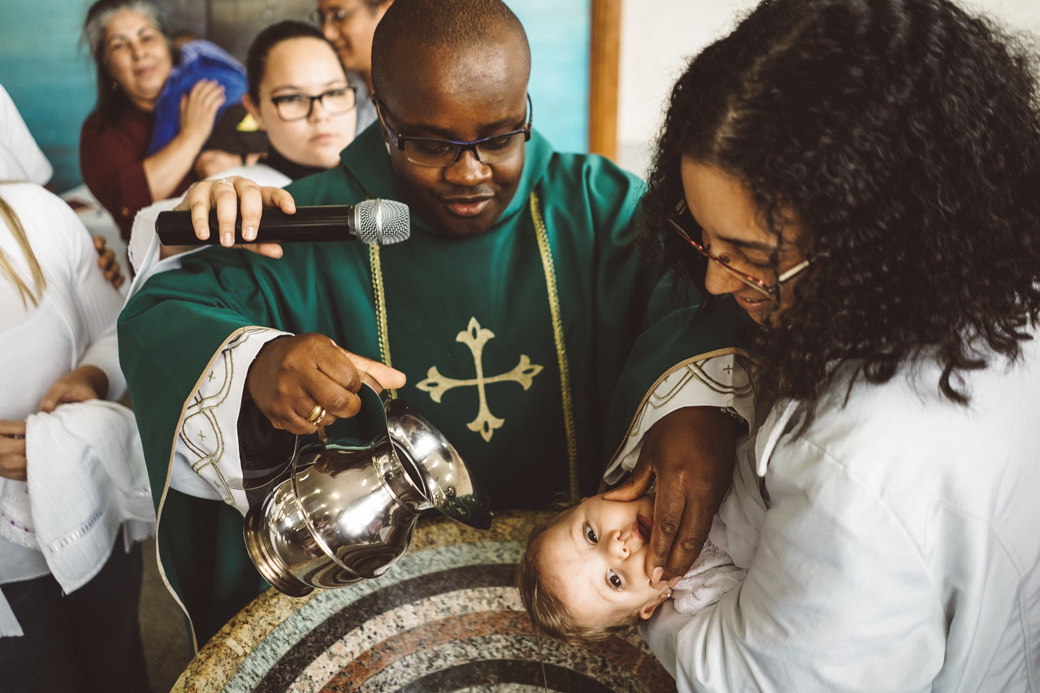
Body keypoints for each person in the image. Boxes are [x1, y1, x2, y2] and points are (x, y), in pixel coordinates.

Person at [118, 0, 753, 649]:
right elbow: (161, 317)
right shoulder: (313, 222)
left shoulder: (596, 206)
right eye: (431, 144)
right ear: (383, 114)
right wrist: (260, 364)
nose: (470, 171)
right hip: (387, 626)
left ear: (525, 108)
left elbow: (713, 293)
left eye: (501, 136)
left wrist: (698, 403)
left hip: (593, 614)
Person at [621, 0, 1040, 689]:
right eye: (705, 237)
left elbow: (753, 676)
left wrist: (644, 594)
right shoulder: (987, 272)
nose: (715, 281)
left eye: (750, 256)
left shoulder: (856, 467)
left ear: (872, 238)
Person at [0, 181, 152, 691]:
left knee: (119, 664)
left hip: (91, 506)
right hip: (7, 570)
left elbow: (115, 329)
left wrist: (92, 376)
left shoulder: (34, 214)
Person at [126, 20, 359, 286]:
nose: (321, 114)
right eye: (292, 98)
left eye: (335, 92)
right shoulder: (235, 192)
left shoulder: (386, 174)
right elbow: (154, 243)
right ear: (254, 110)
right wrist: (185, 231)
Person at [79, 0, 242, 241]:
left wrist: (241, 160)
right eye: (119, 45)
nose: (139, 53)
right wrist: (192, 136)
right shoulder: (100, 133)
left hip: (236, 243)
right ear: (108, 67)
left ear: (168, 46)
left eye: (147, 38)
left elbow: (267, 140)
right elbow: (128, 203)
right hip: (163, 260)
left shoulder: (207, 91)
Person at [517, 489, 745, 644]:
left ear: (590, 499)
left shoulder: (649, 460)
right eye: (614, 580)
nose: (616, 548)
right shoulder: (704, 591)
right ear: (652, 602)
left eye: (591, 534)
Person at [311, 0, 393, 132]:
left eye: (338, 16)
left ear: (387, 9)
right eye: (322, 18)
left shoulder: (420, 95)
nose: (327, 33)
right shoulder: (334, 86)